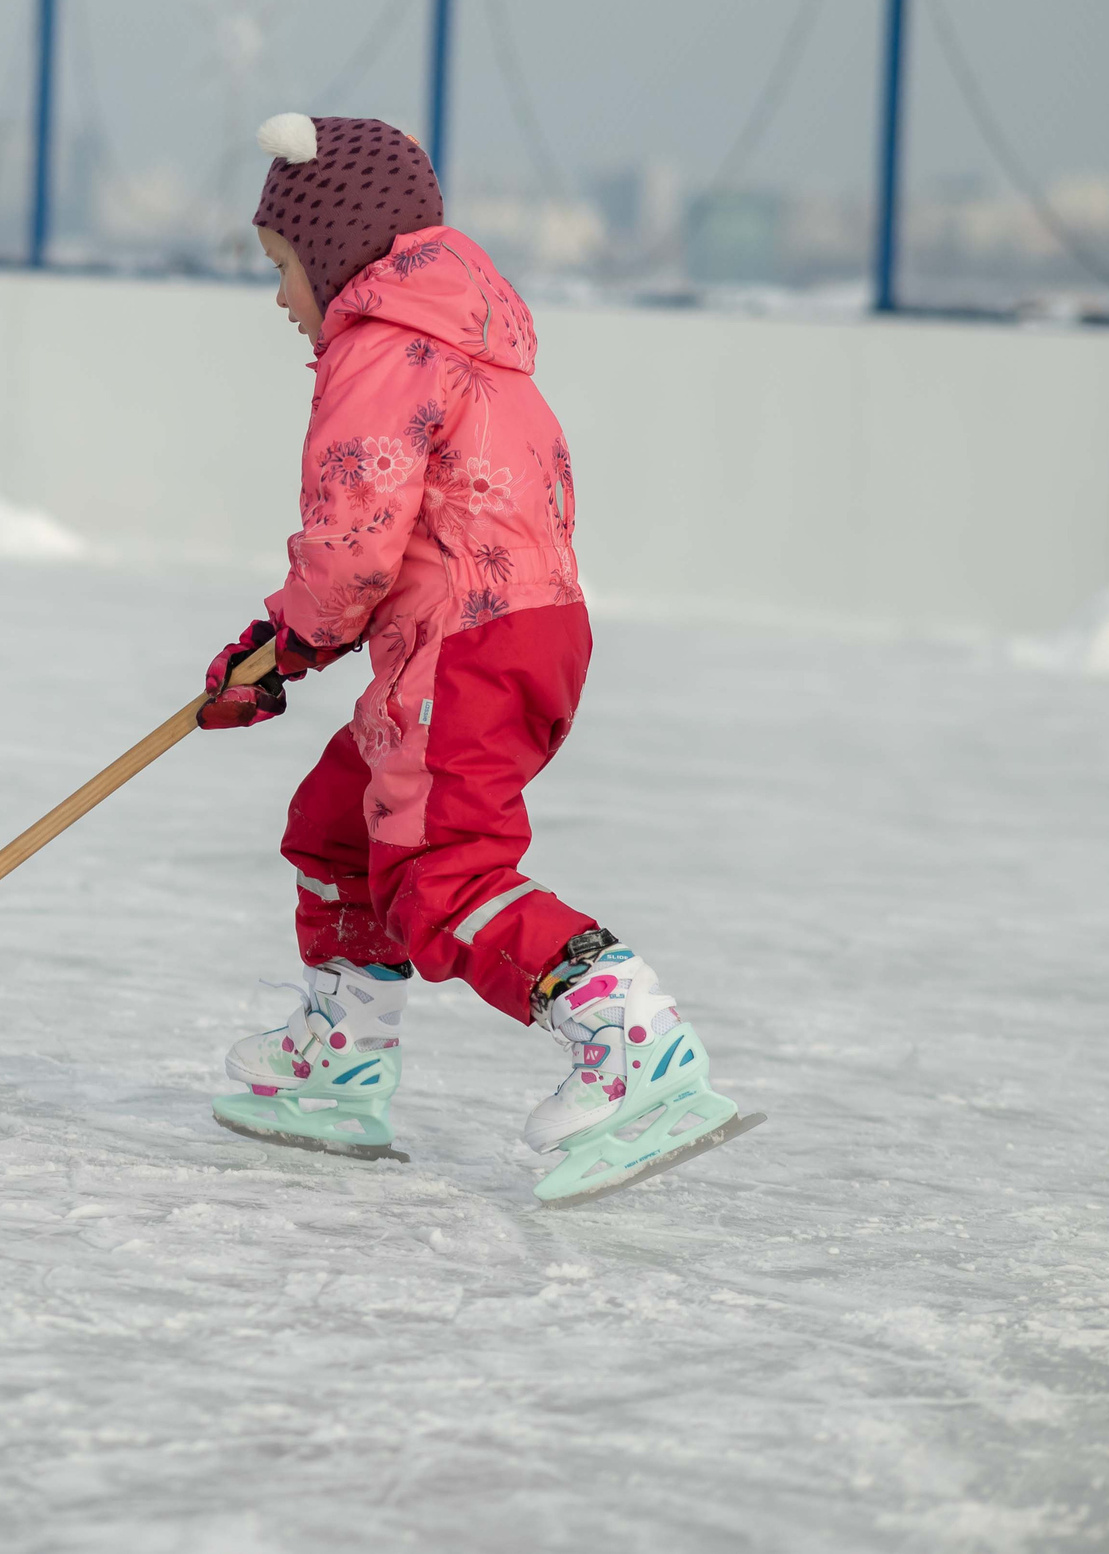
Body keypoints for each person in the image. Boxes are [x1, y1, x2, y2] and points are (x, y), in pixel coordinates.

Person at [198, 113, 750, 1205]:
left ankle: (632, 1045)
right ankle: (342, 1060)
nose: (278, 299)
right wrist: (290, 644)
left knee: (438, 873)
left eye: (282, 267)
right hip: (523, 635)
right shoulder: (473, 344)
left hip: (464, 647)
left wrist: (289, 642)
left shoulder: (378, 349)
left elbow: (356, 538)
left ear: (337, 249)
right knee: (338, 826)